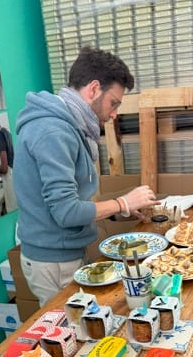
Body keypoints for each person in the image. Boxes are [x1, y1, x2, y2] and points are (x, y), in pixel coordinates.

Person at [12, 46, 160, 307]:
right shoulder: (53, 131)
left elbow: (77, 201)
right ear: (93, 89)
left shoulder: (69, 125)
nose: (114, 113)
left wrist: (121, 209)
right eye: (113, 103)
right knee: (73, 327)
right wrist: (122, 203)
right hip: (53, 261)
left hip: (65, 252)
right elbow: (66, 212)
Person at [0, 116, 17, 212]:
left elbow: (4, 168)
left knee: (13, 208)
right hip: (15, 175)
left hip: (9, 178)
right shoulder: (8, 133)